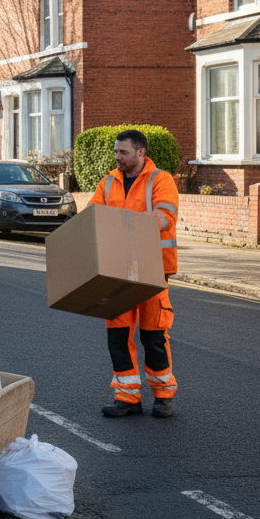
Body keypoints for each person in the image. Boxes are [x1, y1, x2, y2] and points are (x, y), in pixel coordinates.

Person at [89, 129, 180, 419]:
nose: (117, 157)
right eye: (116, 152)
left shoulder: (160, 179)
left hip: (153, 267)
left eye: (123, 152)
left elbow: (166, 216)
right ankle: (127, 396)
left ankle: (164, 396)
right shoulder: (108, 182)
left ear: (141, 153)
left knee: (153, 335)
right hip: (116, 269)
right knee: (117, 334)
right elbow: (93, 216)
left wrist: (126, 227)